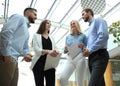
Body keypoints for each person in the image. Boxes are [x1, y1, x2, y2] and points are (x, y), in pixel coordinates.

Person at [0, 7, 37, 86]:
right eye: (34, 14)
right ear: (27, 13)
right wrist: (6, 54)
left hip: (15, 61)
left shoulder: (27, 31)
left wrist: (27, 54)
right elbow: (6, 32)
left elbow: (24, 48)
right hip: (7, 57)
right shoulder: (19, 18)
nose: (36, 17)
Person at [81, 8, 109, 86]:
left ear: (89, 13)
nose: (82, 17)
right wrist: (85, 49)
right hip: (91, 58)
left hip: (99, 56)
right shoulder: (89, 28)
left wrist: (90, 49)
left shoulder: (98, 20)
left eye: (83, 14)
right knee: (99, 84)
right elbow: (90, 44)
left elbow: (104, 36)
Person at [31, 19, 59, 86]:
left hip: (50, 64)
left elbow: (56, 48)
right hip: (38, 64)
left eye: (50, 23)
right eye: (47, 23)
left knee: (51, 84)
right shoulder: (36, 35)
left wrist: (56, 51)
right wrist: (48, 51)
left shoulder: (52, 37)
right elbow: (37, 50)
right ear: (43, 25)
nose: (49, 24)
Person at [60, 20, 87, 86]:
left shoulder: (83, 36)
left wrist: (83, 46)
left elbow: (87, 48)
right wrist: (65, 48)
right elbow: (65, 51)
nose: (72, 25)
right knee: (63, 79)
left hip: (80, 57)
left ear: (77, 24)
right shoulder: (68, 37)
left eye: (73, 23)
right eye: (71, 24)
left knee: (80, 82)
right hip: (70, 58)